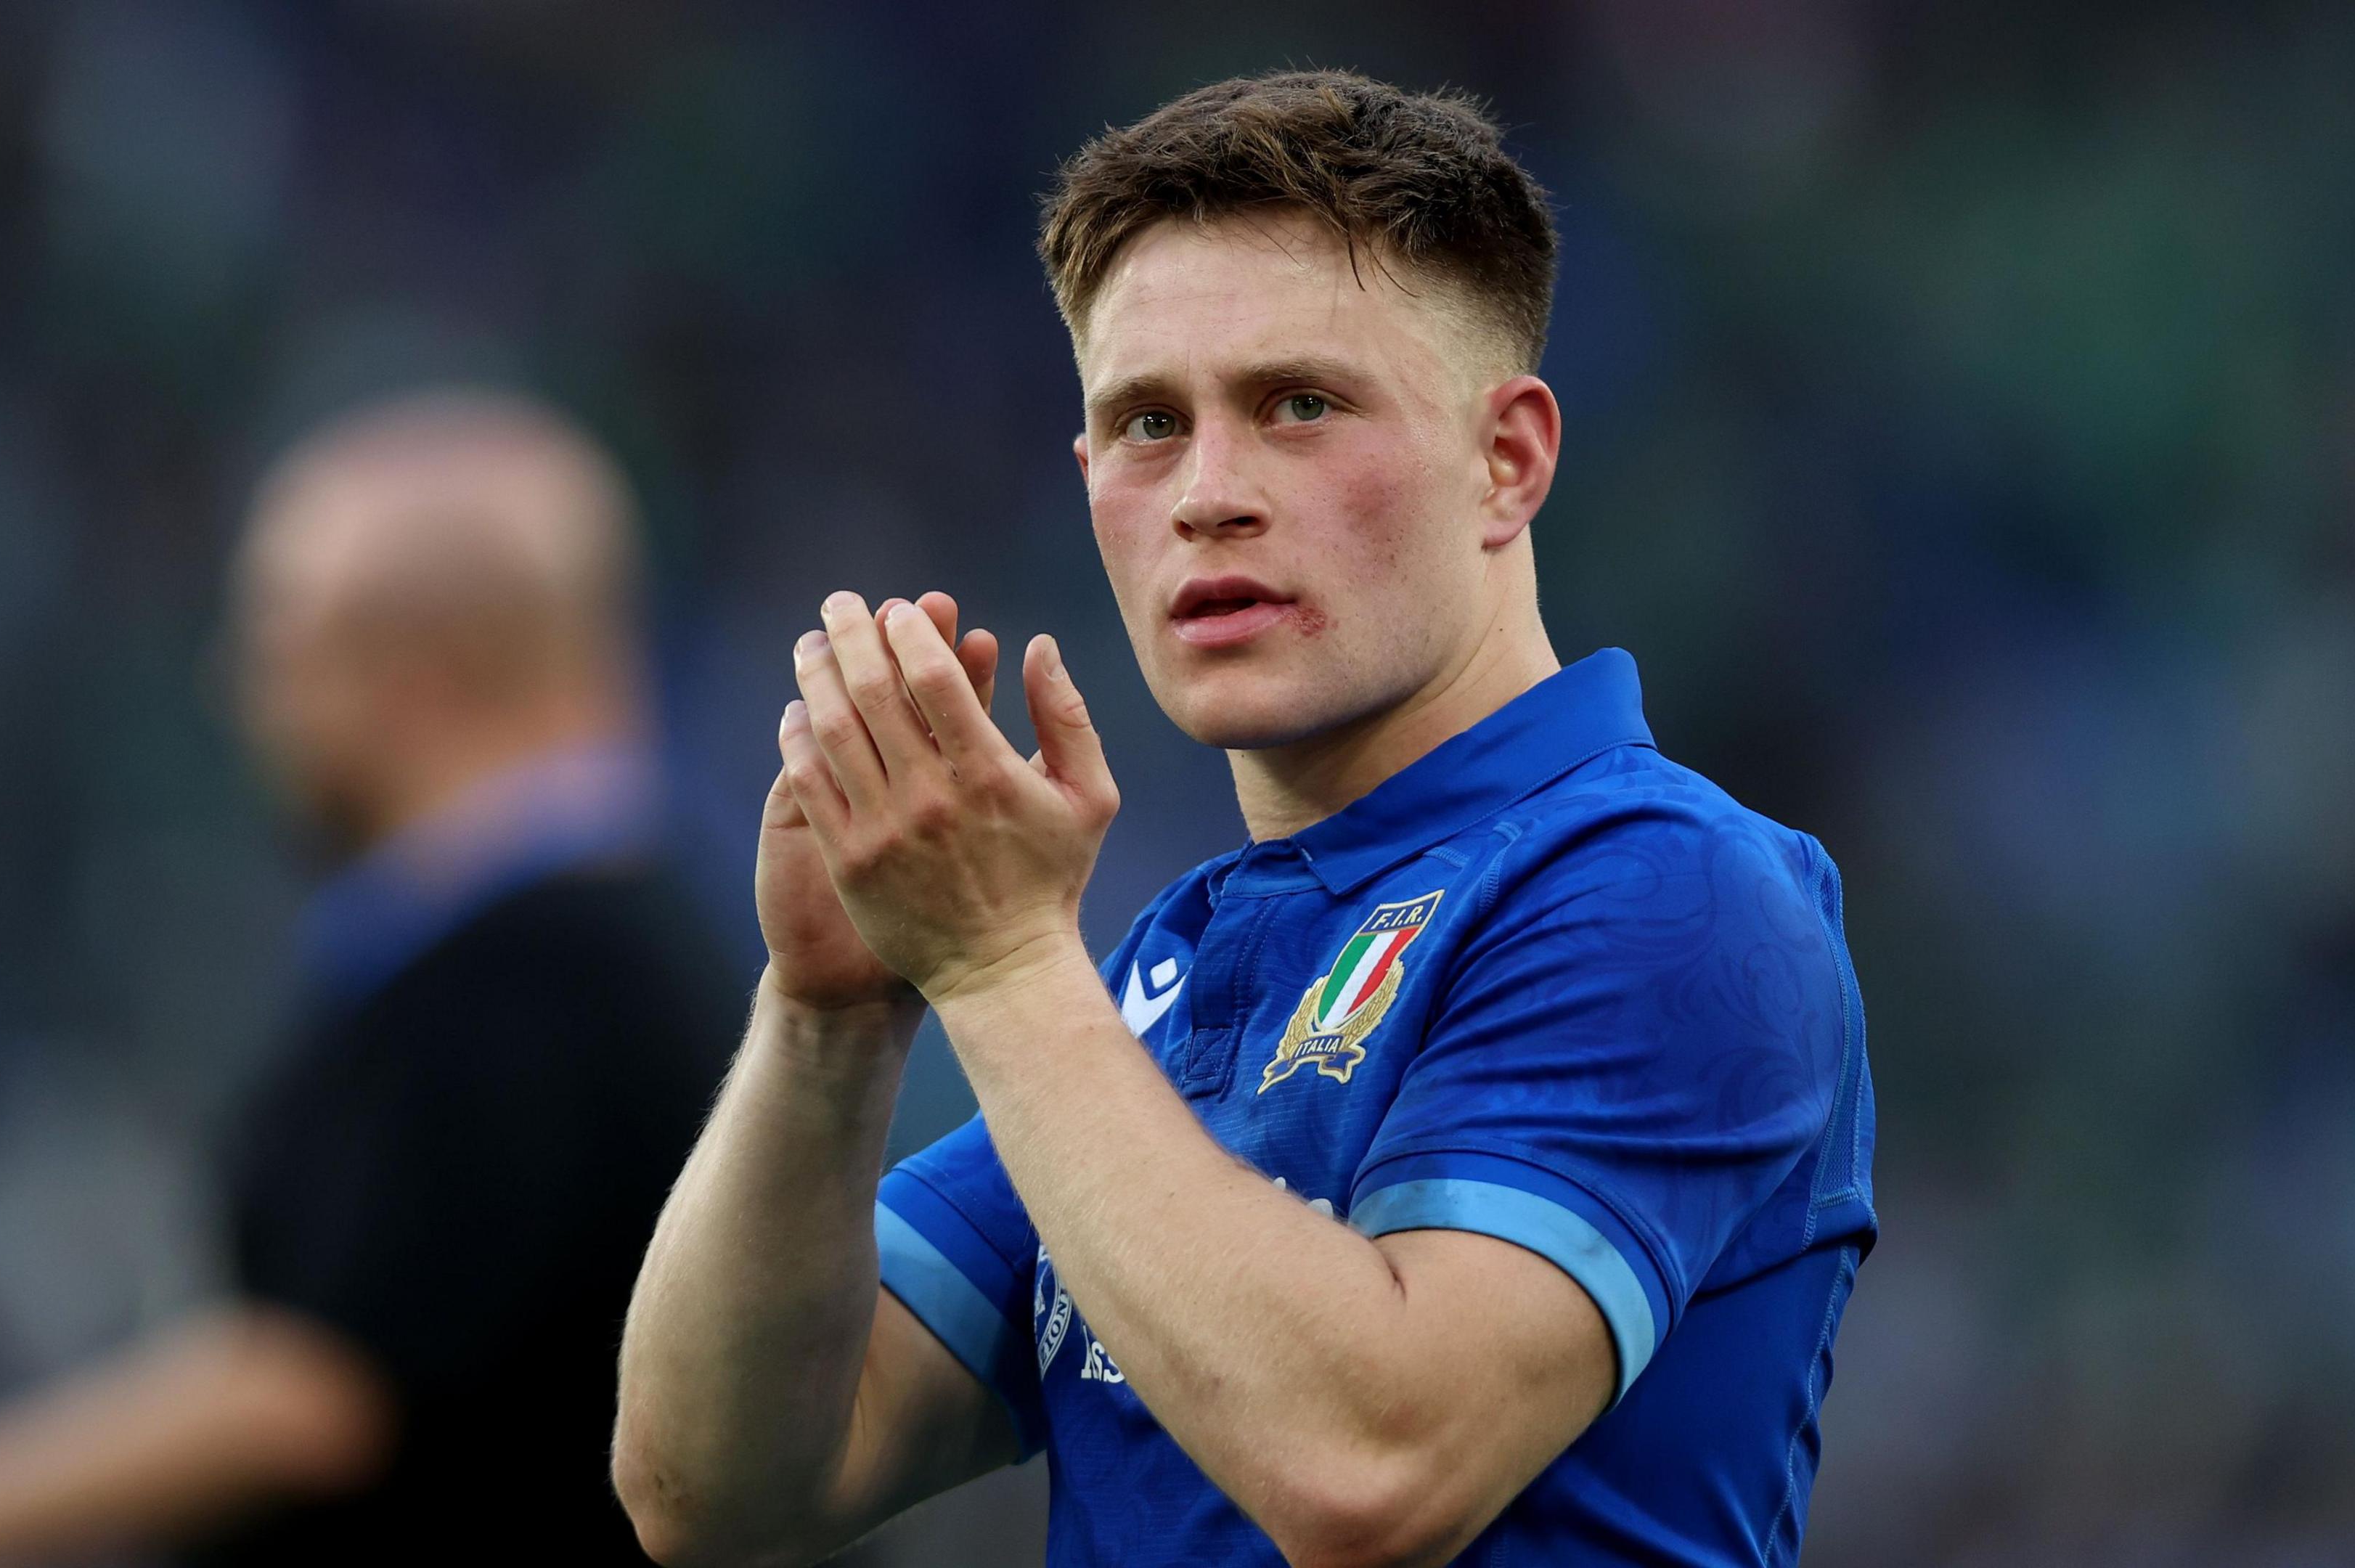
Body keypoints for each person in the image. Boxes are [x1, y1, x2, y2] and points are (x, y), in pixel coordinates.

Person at [613, 70, 1877, 1568]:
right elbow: (714, 1490)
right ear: (1088, 480)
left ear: (1509, 458)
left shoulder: (1670, 889)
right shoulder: (1169, 973)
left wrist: (1007, 968)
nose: (1210, 491)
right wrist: (829, 1016)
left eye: (1301, 405)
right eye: (1148, 423)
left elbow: (1370, 1470)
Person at [0, 391, 738, 1567]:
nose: (236, 688)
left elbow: (312, 1396)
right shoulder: (558, 950)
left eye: (278, 640)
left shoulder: (547, 973)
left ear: (420, 670)